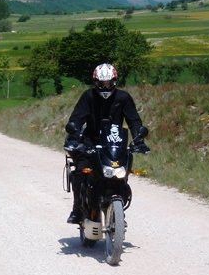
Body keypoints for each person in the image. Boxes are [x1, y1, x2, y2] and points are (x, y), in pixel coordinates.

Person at [64, 63, 149, 224]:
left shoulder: (123, 98)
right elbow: (76, 118)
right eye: (101, 83)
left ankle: (117, 206)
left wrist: (139, 138)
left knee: (121, 174)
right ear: (95, 82)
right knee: (81, 172)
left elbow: (134, 120)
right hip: (90, 142)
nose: (105, 86)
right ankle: (77, 209)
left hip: (114, 143)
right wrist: (74, 133)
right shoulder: (88, 96)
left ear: (114, 81)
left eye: (108, 83)